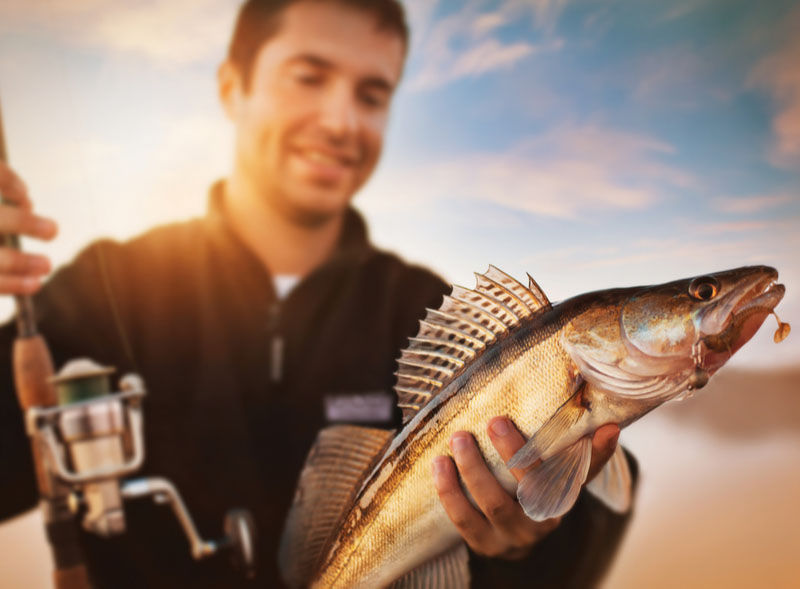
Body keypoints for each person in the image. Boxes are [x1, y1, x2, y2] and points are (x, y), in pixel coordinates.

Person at [0, 0, 633, 586]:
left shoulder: (424, 312)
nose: (340, 121)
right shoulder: (103, 291)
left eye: (372, 93)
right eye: (309, 76)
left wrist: (530, 540)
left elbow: (565, 561)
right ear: (231, 87)